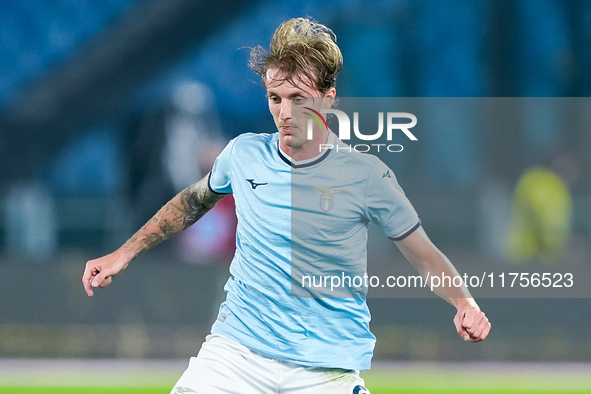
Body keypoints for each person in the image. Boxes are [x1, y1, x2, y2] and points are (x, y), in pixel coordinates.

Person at [83, 17, 490, 393]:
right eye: (275, 98)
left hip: (325, 367)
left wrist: (464, 303)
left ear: (328, 99)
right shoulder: (243, 155)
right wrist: (124, 252)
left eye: (299, 97)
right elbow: (191, 201)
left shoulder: (367, 176)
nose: (285, 112)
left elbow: (423, 256)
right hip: (237, 353)